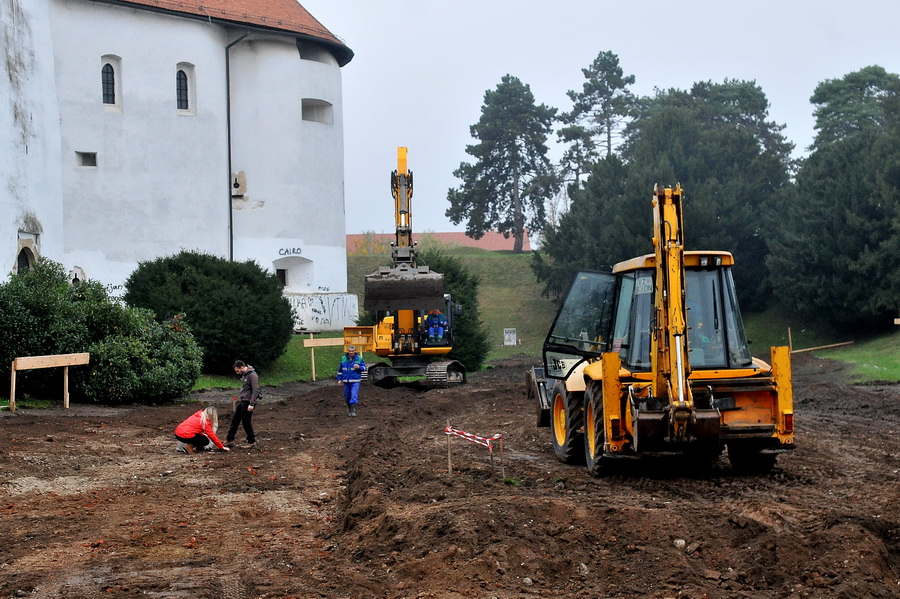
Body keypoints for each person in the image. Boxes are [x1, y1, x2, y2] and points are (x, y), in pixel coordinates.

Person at [226, 360, 259, 448]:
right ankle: (230, 440)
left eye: (237, 371)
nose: (237, 373)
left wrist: (252, 404)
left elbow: (255, 391)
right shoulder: (245, 375)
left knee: (246, 422)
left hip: (248, 402)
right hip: (243, 401)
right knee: (235, 420)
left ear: (242, 367)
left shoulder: (253, 375)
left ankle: (252, 442)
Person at [337, 345, 366, 417]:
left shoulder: (359, 359)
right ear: (348, 351)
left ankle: (353, 411)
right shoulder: (343, 359)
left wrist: (359, 367)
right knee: (347, 397)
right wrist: (339, 379)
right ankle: (350, 409)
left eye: (352, 351)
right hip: (346, 381)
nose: (351, 352)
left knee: (354, 395)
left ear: (355, 351)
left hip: (355, 380)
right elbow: (340, 370)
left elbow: (364, 368)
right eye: (350, 351)